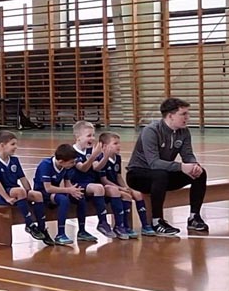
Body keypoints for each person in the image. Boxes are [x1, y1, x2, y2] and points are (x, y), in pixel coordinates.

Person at [126, 97, 209, 237]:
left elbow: (188, 154)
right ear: (170, 116)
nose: (187, 117)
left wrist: (194, 165)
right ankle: (157, 221)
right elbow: (154, 163)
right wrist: (181, 167)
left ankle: (194, 217)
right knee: (160, 174)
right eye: (183, 114)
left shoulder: (184, 132)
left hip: (162, 174)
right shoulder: (151, 131)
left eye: (187, 114)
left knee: (200, 173)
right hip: (138, 175)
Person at [0, 130, 53, 244]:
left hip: (17, 192)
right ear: (2, 145)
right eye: (12, 144)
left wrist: (30, 193)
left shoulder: (15, 160)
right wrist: (7, 198)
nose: (16, 147)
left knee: (37, 195)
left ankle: (42, 228)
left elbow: (22, 178)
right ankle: (29, 224)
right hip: (4, 194)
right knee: (20, 191)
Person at [72, 120, 122, 240]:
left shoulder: (90, 150)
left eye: (93, 135)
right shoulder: (72, 152)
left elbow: (96, 167)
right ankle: (102, 222)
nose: (93, 138)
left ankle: (120, 225)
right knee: (98, 188)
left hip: (91, 184)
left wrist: (105, 157)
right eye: (89, 135)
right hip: (78, 184)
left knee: (113, 190)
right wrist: (94, 155)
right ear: (78, 137)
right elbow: (83, 168)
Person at [97, 132, 153, 237]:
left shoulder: (117, 158)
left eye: (119, 143)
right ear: (104, 146)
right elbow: (104, 180)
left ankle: (145, 225)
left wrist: (125, 187)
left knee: (137, 194)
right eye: (115, 143)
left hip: (116, 186)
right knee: (126, 196)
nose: (119, 146)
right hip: (107, 188)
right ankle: (123, 226)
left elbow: (118, 176)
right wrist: (121, 189)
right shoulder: (101, 159)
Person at [33, 144, 84, 246]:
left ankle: (82, 231)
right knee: (63, 200)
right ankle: (60, 234)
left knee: (81, 197)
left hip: (55, 192)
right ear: (61, 161)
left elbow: (68, 184)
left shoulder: (65, 167)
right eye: (71, 162)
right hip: (43, 194)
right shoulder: (46, 165)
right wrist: (68, 190)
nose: (73, 164)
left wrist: (74, 191)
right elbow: (48, 188)